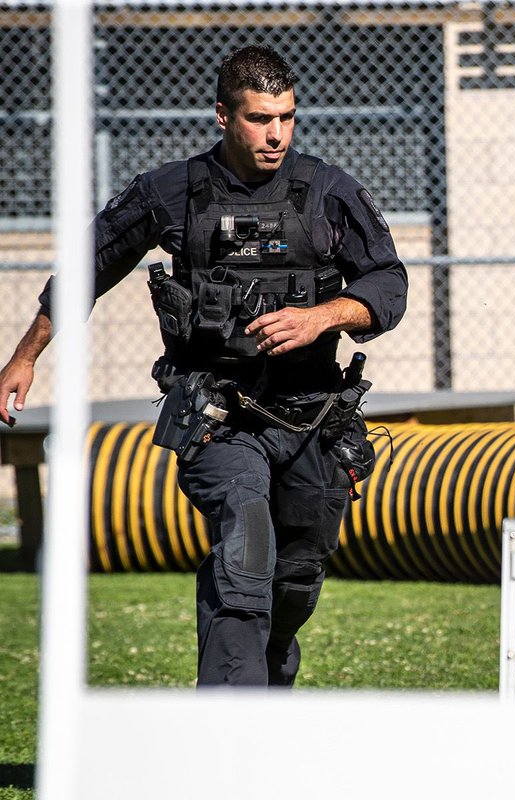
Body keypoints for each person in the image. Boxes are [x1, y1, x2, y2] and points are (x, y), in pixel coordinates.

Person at [0, 45, 409, 687]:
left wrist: (322, 317)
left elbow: (389, 285)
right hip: (220, 414)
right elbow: (90, 267)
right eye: (258, 119)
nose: (276, 134)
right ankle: (227, 734)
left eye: (287, 117)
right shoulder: (175, 191)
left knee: (296, 577)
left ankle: (261, 687)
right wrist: (23, 357)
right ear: (223, 115)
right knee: (245, 550)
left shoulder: (329, 192)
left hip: (311, 419)